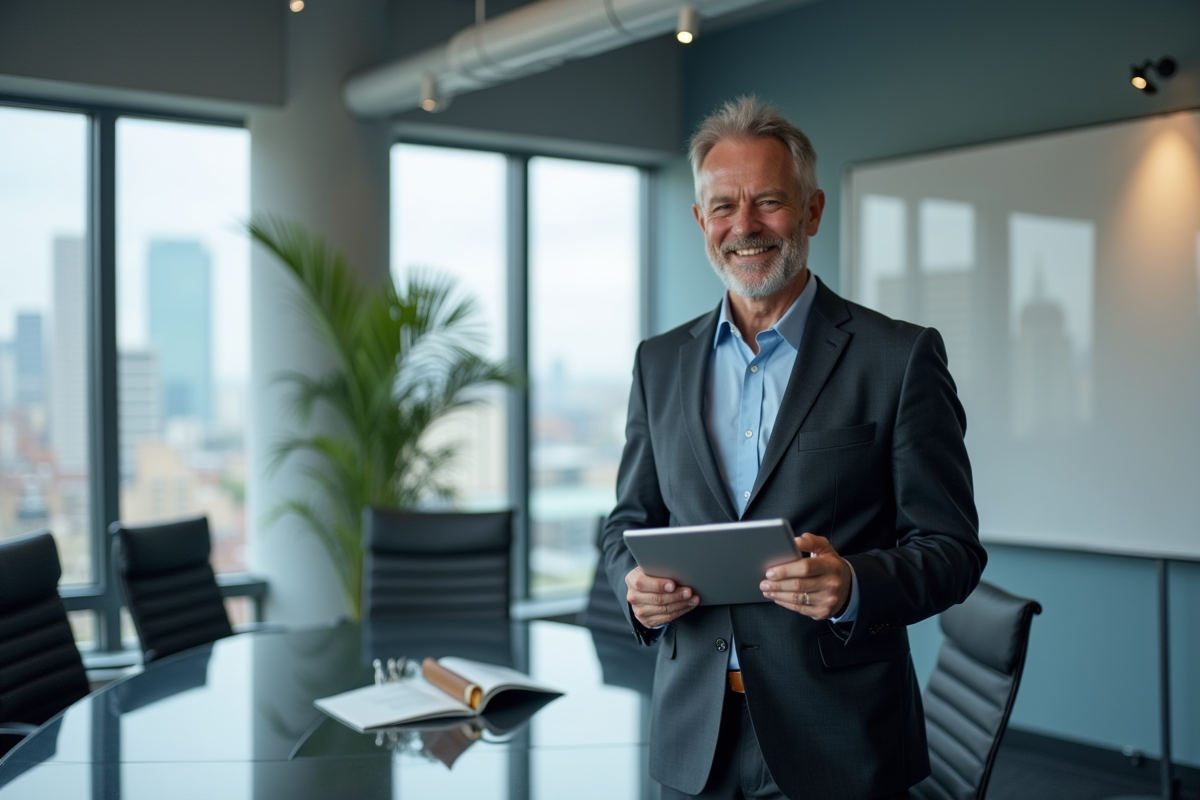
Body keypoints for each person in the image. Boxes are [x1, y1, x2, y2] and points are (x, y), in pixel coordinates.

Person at [599, 96, 987, 800]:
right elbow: (626, 524)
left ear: (811, 211)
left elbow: (953, 549)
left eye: (769, 202)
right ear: (700, 222)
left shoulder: (898, 358)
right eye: (723, 207)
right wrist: (636, 592)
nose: (744, 226)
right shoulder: (658, 363)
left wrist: (854, 584)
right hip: (694, 742)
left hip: (842, 741)